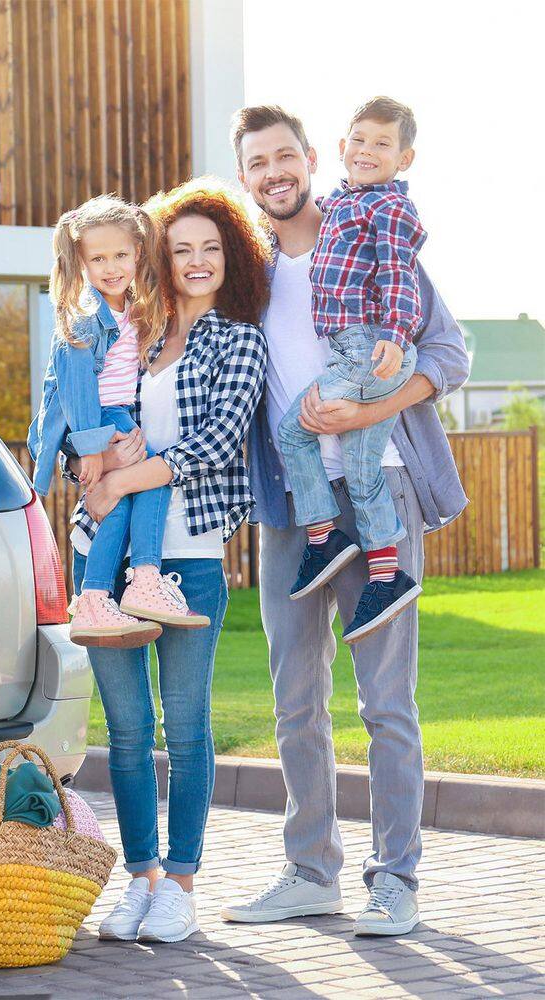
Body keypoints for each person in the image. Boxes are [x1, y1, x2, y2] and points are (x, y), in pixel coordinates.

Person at [223, 105, 469, 936]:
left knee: (385, 705)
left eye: (284, 155)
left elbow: (450, 352)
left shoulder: (363, 235)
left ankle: (394, 879)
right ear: (247, 177)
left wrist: (377, 409)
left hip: (383, 493)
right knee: (296, 702)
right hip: (294, 508)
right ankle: (309, 872)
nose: (274, 172)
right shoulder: (247, 276)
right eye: (257, 163)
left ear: (309, 159)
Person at [65, 180, 269, 942]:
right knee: (123, 730)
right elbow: (83, 419)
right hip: (105, 555)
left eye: (209, 247)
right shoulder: (129, 330)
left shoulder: (239, 338)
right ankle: (140, 879)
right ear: (159, 255)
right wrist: (87, 469)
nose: (194, 260)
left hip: (189, 557)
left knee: (184, 727)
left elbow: (216, 445)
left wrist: (122, 478)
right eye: (180, 247)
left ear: (232, 254)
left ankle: (181, 881)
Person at [28, 194, 209, 649]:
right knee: (153, 478)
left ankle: (93, 598)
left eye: (121, 255)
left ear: (138, 254)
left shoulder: (127, 309)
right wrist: (90, 445)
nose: (111, 267)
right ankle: (144, 576)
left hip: (113, 418)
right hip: (100, 419)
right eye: (98, 258)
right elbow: (74, 388)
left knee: (122, 502)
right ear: (80, 262)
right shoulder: (86, 317)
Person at [278, 97, 427, 644]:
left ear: (403, 158)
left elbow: (399, 271)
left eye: (382, 144)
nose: (367, 151)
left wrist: (395, 331)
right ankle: (387, 575)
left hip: (367, 349)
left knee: (294, 432)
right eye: (359, 140)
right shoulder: (340, 201)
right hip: (357, 347)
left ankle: (324, 536)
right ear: (340, 147)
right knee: (362, 476)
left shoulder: (389, 208)